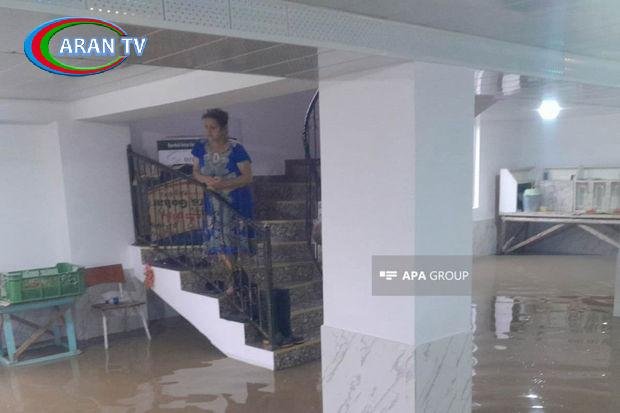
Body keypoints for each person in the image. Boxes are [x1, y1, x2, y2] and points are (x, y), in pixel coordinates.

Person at [191, 108, 254, 295]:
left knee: (233, 240)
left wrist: (224, 184)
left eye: (213, 127)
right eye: (206, 127)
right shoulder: (200, 147)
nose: (209, 132)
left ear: (224, 128)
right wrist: (206, 180)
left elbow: (247, 177)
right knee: (218, 242)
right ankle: (238, 278)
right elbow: (195, 172)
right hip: (213, 202)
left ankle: (239, 279)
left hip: (235, 201)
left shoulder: (236, 149)